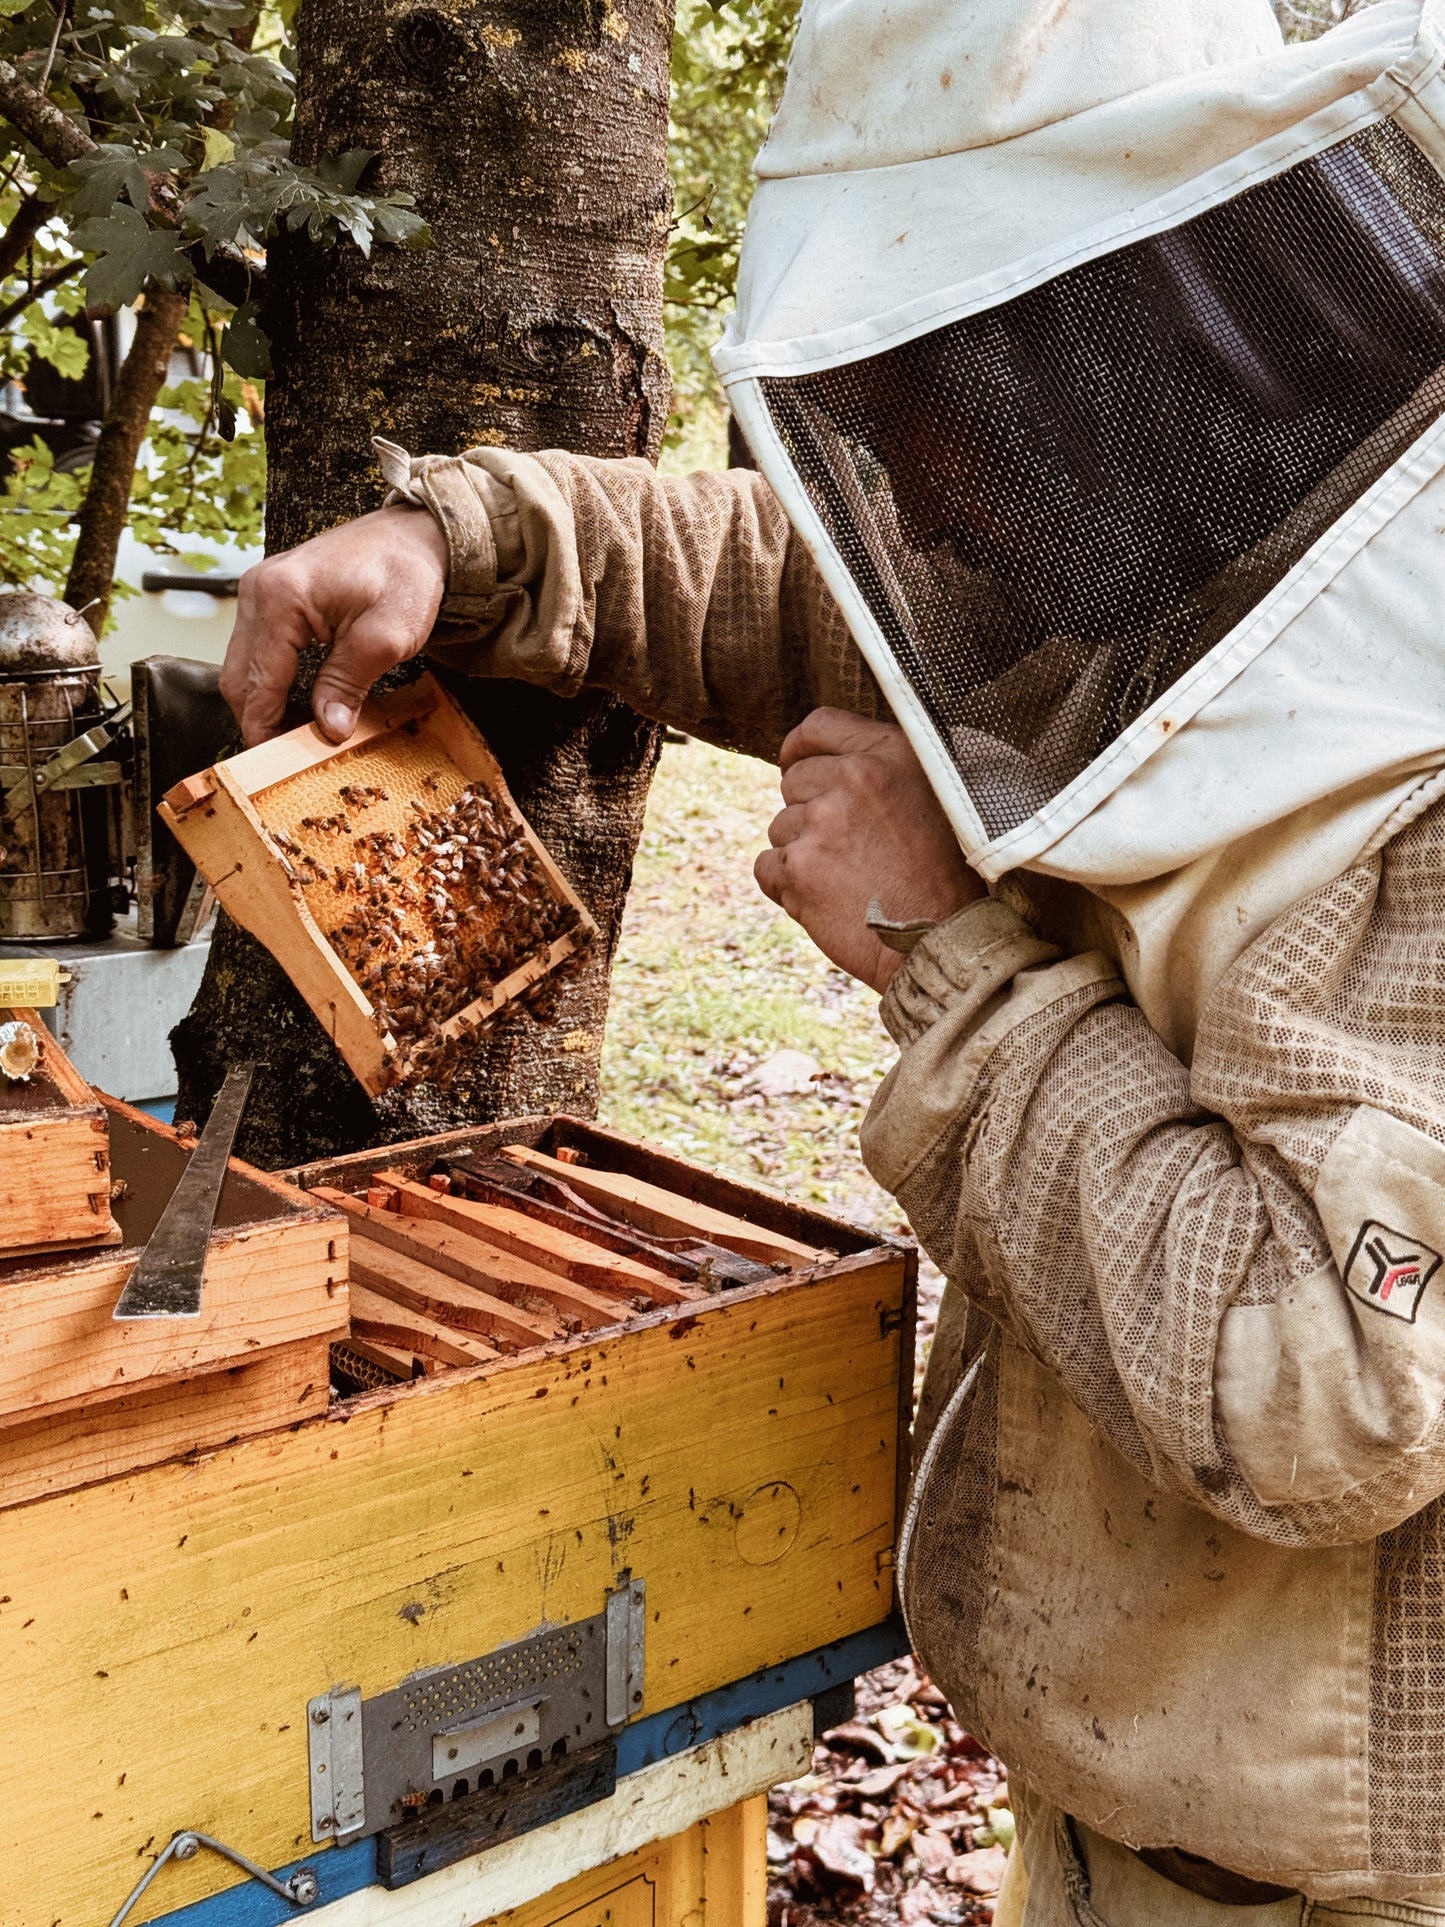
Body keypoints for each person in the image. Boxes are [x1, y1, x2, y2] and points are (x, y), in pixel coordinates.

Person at [221, 1, 1445, 1919]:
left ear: (1119, 335)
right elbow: (830, 593)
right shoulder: (1208, 523)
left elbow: (1328, 1382)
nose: (921, 480)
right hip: (1148, 1793)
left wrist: (944, 953)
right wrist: (470, 540)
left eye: (946, 388)